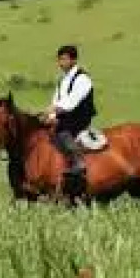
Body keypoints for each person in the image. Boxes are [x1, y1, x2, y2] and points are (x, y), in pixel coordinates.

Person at [41, 43, 97, 196]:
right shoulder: (62, 80)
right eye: (60, 60)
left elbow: (71, 102)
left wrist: (53, 111)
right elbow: (56, 100)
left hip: (79, 117)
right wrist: (49, 117)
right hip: (64, 115)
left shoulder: (82, 78)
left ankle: (78, 162)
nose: (61, 63)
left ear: (73, 60)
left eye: (64, 59)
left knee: (62, 132)